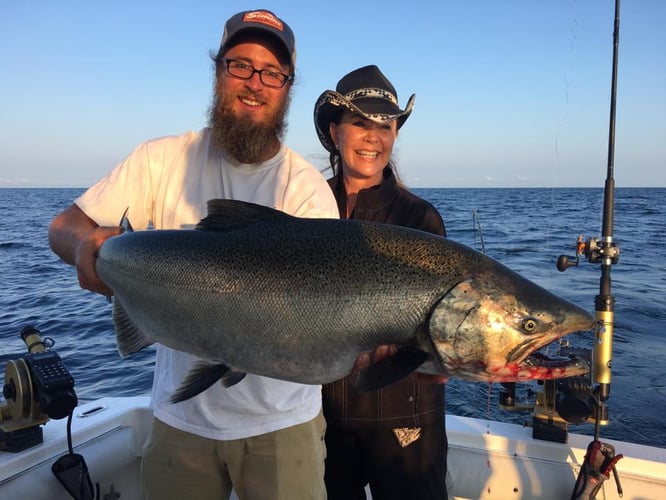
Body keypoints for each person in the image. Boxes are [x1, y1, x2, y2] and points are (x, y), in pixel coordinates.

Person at [48, 9, 338, 500]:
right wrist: (84, 246)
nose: (255, 83)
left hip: (282, 423)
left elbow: (315, 314)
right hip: (180, 421)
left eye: (272, 73)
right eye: (240, 65)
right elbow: (64, 226)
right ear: (217, 70)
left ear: (288, 87)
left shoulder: (306, 190)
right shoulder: (160, 159)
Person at [313, 65, 449, 500]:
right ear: (336, 132)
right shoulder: (307, 208)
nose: (374, 137)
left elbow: (437, 327)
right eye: (360, 123)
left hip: (407, 421)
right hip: (325, 417)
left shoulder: (419, 218)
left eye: (385, 126)